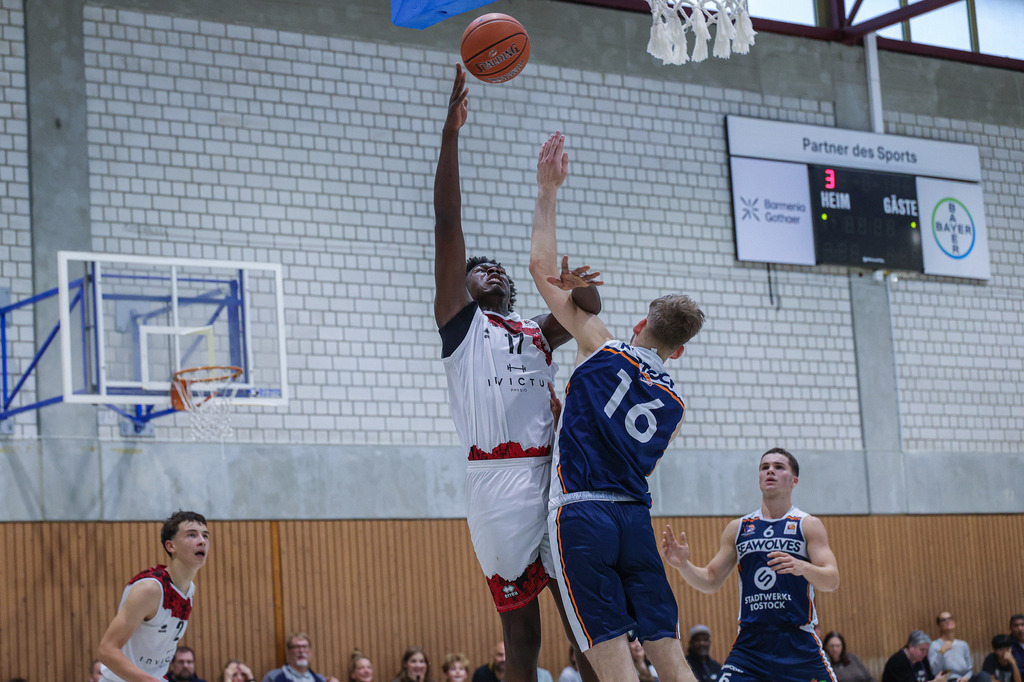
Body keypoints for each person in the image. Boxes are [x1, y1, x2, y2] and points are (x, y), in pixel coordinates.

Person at [433, 64, 601, 682]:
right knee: (523, 638)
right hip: (497, 484)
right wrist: (450, 136)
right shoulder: (461, 327)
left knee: (584, 624)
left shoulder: (533, 330)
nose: (495, 271)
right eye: (481, 269)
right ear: (462, 286)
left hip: (553, 477)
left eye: (500, 269)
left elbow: (587, 311)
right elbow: (448, 225)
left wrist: (579, 287)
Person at [530, 131, 704, 682]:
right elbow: (622, 438)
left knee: (610, 660)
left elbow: (539, 266)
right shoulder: (675, 405)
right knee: (669, 655)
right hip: (634, 517)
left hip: (583, 514)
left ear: (640, 324)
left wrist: (548, 190)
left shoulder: (601, 345)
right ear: (678, 350)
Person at [663, 448, 840, 682]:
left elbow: (831, 580)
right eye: (764, 467)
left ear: (794, 480)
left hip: (798, 643)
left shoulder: (807, 524)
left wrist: (803, 567)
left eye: (779, 467)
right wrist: (683, 565)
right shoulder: (739, 528)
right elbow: (711, 580)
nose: (770, 471)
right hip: (751, 646)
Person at [97, 511, 209, 682]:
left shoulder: (189, 589)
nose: (202, 541)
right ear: (171, 546)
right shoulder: (150, 589)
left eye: (205, 535)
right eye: (192, 535)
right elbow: (106, 650)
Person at [261, 633, 338, 682]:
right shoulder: (273, 677)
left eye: (304, 647)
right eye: (296, 647)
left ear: (310, 652)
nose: (301, 651)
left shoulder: (320, 679)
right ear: (288, 652)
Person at [882, 630, 949, 682]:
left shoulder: (922, 659)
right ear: (911, 646)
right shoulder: (896, 662)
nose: (925, 653)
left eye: (927, 650)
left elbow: (930, 677)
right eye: (922, 649)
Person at [929, 612, 977, 682]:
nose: (948, 621)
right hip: (948, 680)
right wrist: (942, 651)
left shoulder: (963, 645)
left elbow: (969, 669)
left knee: (983, 676)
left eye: (950, 618)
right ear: (939, 626)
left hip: (964, 679)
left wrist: (965, 678)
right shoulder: (934, 645)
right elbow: (934, 671)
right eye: (943, 620)